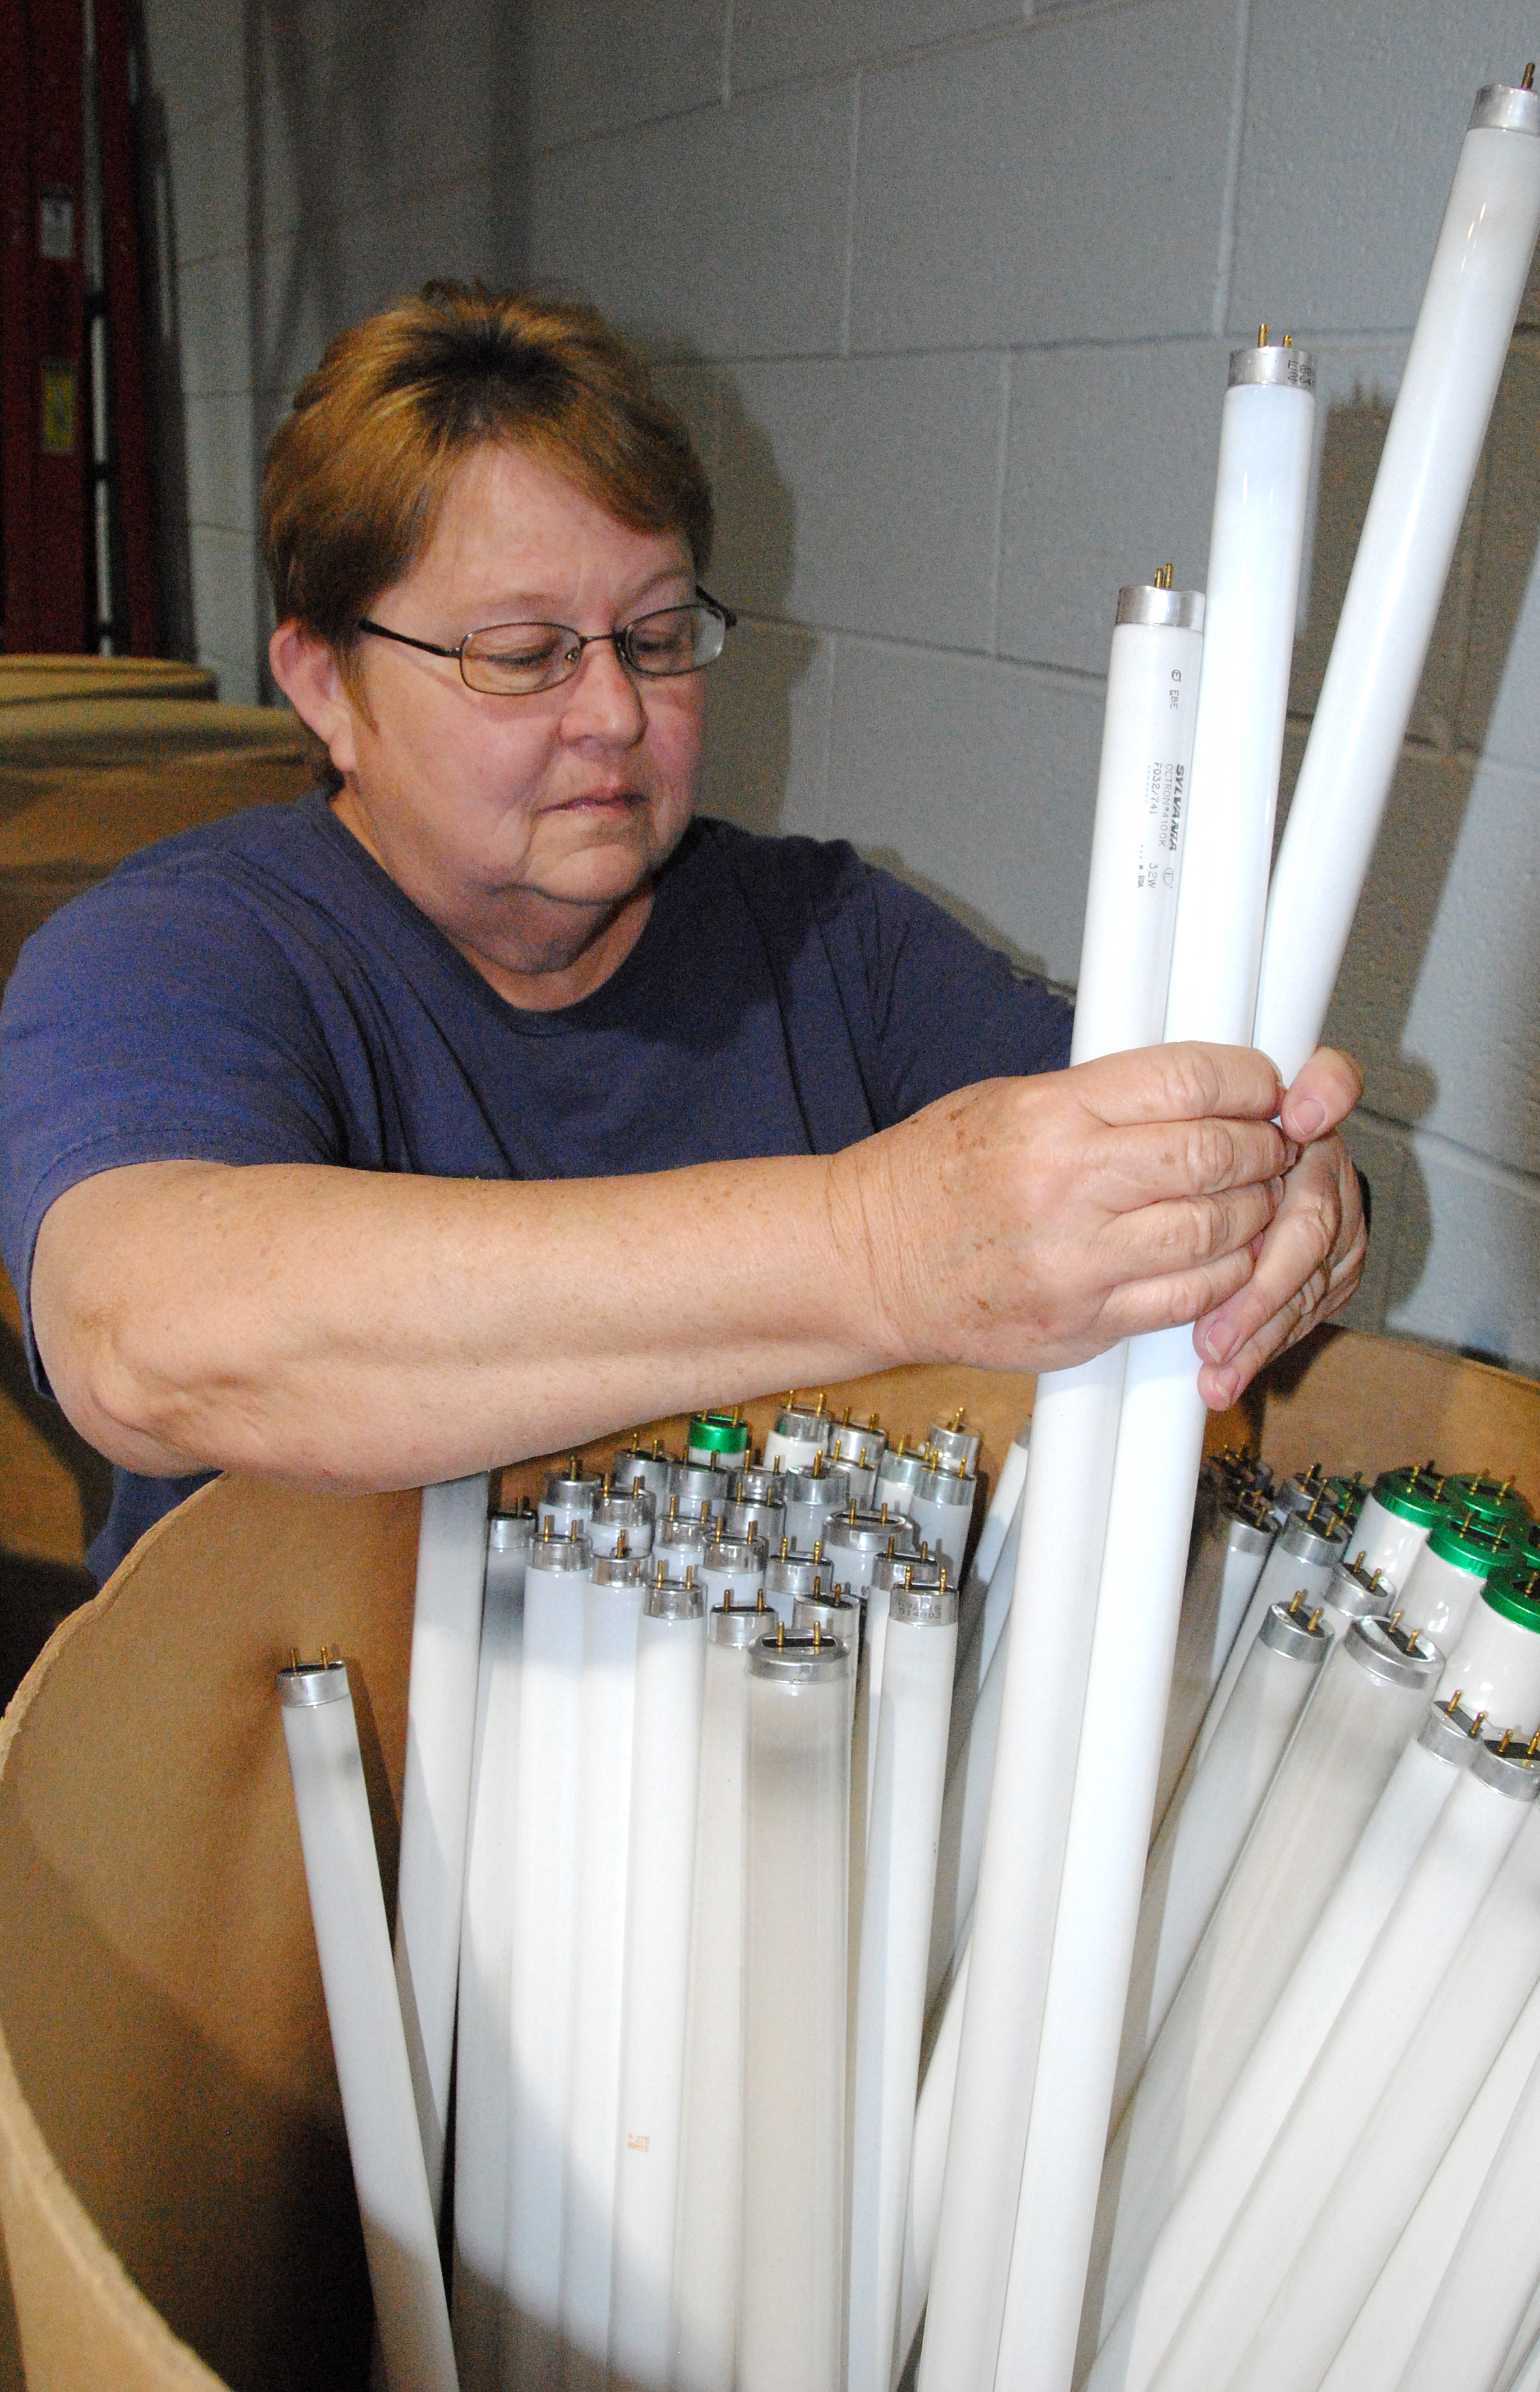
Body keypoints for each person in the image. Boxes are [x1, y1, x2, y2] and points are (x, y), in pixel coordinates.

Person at [0, 284, 1366, 1583]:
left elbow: (1145, 1165)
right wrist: (880, 1248)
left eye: (655, 639)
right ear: (326, 684)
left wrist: (1276, 1190)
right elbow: (148, 1335)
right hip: (289, 1756)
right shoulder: (179, 950)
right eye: (524, 653)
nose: (611, 711)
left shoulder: (831, 943)